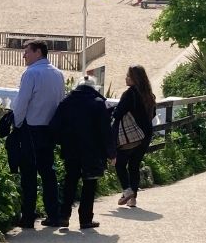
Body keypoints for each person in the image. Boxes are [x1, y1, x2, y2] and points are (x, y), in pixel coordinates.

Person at [10, 40, 66, 229]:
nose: (24, 55)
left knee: (29, 174)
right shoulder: (58, 74)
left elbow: (22, 103)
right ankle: (54, 214)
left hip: (32, 128)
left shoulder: (31, 73)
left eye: (27, 51)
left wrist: (16, 125)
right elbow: (60, 101)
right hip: (50, 128)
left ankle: (28, 216)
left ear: (38, 52)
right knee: (48, 172)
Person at [49, 79, 114, 228]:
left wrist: (61, 141)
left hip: (71, 148)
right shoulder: (98, 103)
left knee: (70, 181)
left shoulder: (66, 102)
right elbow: (106, 131)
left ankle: (64, 216)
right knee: (89, 184)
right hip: (92, 151)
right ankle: (85, 219)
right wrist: (111, 153)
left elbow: (54, 126)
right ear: (94, 88)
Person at [112, 65, 156, 208]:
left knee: (119, 164)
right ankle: (133, 199)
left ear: (135, 79)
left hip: (132, 136)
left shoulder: (129, 94)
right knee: (134, 165)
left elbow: (118, 114)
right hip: (146, 134)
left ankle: (127, 190)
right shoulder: (149, 95)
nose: (126, 78)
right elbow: (153, 114)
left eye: (129, 76)